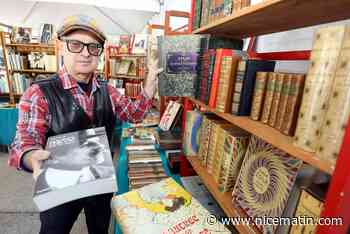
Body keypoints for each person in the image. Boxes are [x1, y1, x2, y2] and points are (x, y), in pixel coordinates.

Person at [8, 14, 161, 234]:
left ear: (100, 53)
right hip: (59, 183)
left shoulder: (107, 90)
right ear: (62, 47)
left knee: (99, 229)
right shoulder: (39, 92)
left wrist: (150, 83)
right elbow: (26, 136)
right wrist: (31, 155)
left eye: (93, 47)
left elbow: (134, 114)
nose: (85, 52)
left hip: (99, 182)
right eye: (76, 44)